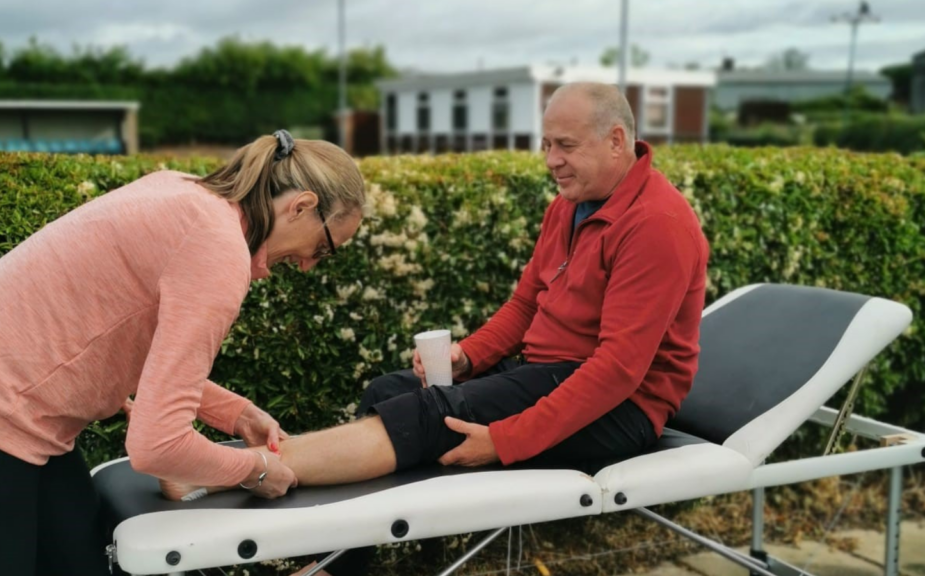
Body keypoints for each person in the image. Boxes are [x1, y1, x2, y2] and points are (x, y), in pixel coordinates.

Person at [161, 82, 710, 576]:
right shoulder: (571, 207)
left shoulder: (655, 225)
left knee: (434, 417)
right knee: (391, 391)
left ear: (617, 140)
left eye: (565, 145)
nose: (551, 161)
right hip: (549, 374)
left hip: (622, 408)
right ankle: (337, 566)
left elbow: (616, 372)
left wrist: (504, 441)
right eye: (546, 145)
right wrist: (470, 356)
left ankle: (222, 471)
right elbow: (525, 305)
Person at [0, 130, 366, 576]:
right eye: (324, 249)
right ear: (302, 206)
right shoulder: (217, 253)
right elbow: (156, 445)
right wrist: (255, 469)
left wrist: (237, 414)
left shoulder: (186, 194)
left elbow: (115, 336)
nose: (308, 265)